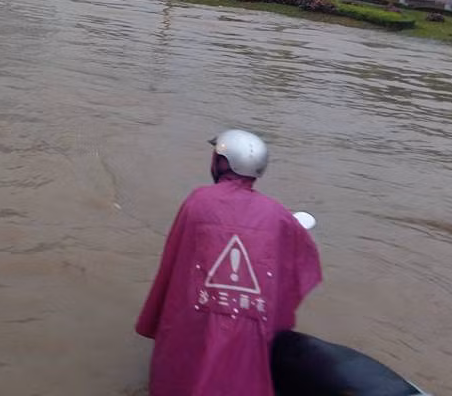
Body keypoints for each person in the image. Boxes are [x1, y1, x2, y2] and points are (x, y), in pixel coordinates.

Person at [135, 130, 322, 396]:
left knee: (182, 372)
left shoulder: (198, 201)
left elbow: (174, 265)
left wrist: (154, 319)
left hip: (200, 310)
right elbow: (292, 265)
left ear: (222, 162)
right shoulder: (277, 214)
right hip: (248, 316)